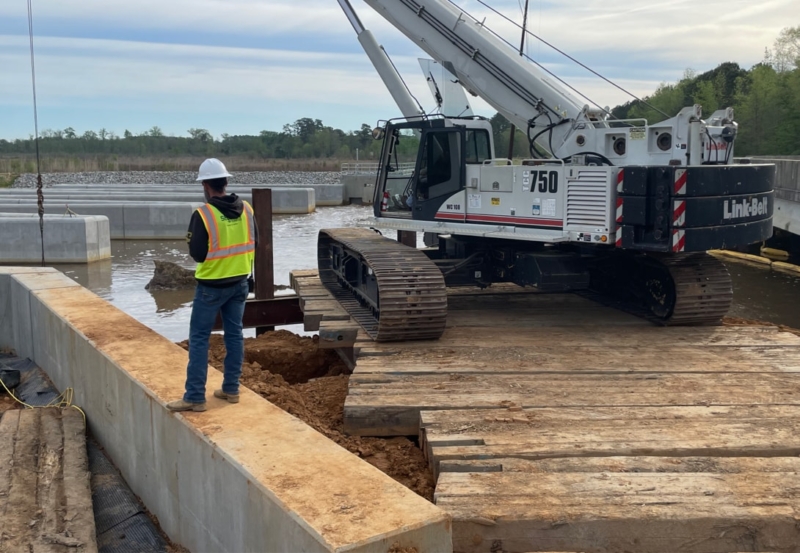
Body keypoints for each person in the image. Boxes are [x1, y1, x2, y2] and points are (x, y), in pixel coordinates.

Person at [167, 158, 257, 412]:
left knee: (198, 338)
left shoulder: (203, 215)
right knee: (234, 334)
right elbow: (255, 242)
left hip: (211, 287)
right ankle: (231, 388)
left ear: (205, 185)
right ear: (226, 182)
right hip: (240, 283)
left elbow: (197, 254)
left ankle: (195, 397)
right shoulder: (247, 210)